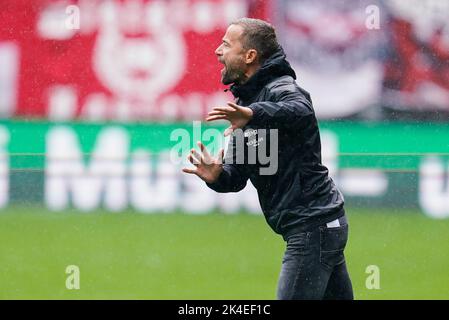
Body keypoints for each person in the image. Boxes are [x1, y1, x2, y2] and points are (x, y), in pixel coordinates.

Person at [182, 17, 353, 300]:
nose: (217, 51)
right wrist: (217, 176)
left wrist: (252, 114)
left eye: (226, 44)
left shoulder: (279, 88)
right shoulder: (246, 105)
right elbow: (236, 175)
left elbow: (300, 109)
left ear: (250, 56)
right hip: (322, 226)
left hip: (312, 228)